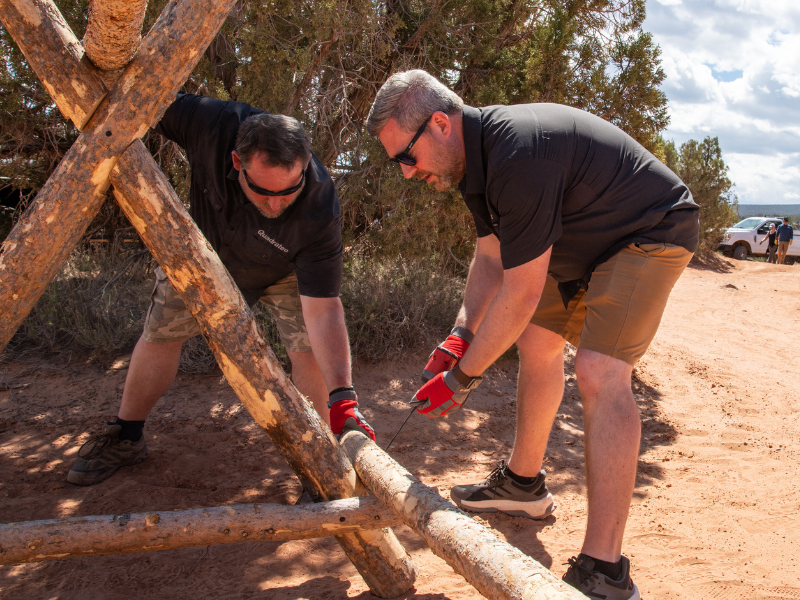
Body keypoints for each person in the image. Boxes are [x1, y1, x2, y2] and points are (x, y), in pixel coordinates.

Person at [367, 70, 699, 600]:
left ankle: (605, 570)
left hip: (649, 230)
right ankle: (523, 486)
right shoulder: (474, 162)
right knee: (537, 343)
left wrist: (462, 379)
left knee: (599, 370)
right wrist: (460, 335)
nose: (406, 173)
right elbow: (491, 258)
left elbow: (520, 294)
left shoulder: (517, 154)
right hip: (585, 245)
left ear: (438, 125)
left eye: (406, 156)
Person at [68, 93, 374, 486]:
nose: (277, 204)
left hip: (283, 270)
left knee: (308, 350)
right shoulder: (209, 123)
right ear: (236, 162)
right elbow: (136, 98)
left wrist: (342, 395)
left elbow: (323, 309)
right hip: (200, 254)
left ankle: (320, 461)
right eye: (264, 191)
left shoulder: (318, 205)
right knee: (160, 334)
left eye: (288, 191)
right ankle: (126, 436)